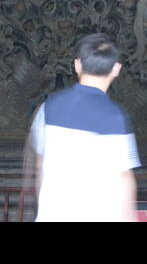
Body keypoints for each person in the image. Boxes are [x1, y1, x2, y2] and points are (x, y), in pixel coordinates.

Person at [28, 33, 140, 222]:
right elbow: (123, 177)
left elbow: (39, 163)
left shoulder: (48, 107)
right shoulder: (114, 116)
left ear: (77, 64)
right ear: (116, 68)